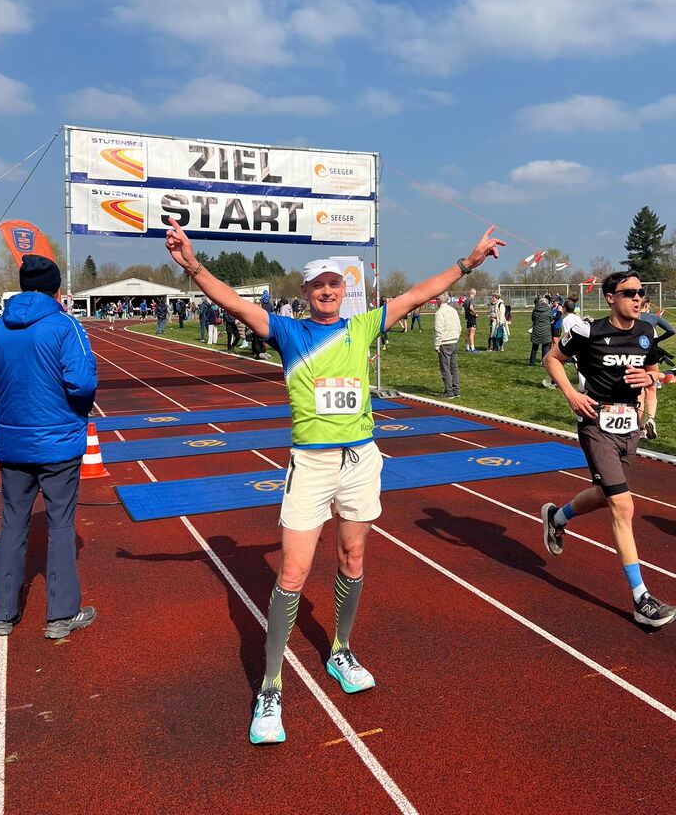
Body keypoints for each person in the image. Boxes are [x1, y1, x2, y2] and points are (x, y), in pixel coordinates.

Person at [163, 217, 504, 744]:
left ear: (344, 291)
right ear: (305, 293)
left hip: (361, 460)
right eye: (317, 285)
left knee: (353, 558)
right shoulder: (289, 331)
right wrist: (193, 264)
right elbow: (233, 302)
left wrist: (468, 262)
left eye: (334, 284)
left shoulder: (361, 326)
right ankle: (270, 687)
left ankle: (340, 650)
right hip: (312, 464)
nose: (326, 291)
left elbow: (418, 294)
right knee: (293, 573)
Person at [541, 271, 676, 628]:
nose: (637, 298)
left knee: (606, 495)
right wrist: (571, 394)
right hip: (596, 424)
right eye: (629, 292)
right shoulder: (588, 332)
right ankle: (641, 599)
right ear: (609, 297)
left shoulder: (646, 332)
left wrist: (650, 389)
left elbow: (652, 375)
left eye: (640, 293)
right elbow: (552, 359)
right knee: (623, 505)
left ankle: (557, 518)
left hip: (629, 427)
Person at [0, 255, 98, 639]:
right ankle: (61, 616)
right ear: (57, 290)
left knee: (12, 524)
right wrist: (67, 409)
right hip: (59, 443)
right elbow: (82, 383)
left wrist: (13, 400)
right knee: (61, 525)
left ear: (23, 286)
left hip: (14, 443)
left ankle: (2, 614)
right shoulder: (65, 326)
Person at [637, 299, 676, 439]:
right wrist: (658, 340)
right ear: (647, 305)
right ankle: (651, 418)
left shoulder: (631, 316)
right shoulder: (653, 317)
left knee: (639, 391)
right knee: (651, 389)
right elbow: (671, 330)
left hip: (636, 351)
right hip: (651, 350)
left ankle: (640, 426)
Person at [434, 292, 462, 398]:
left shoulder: (439, 312)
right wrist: (456, 337)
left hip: (445, 342)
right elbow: (459, 327)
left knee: (445, 368)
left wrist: (437, 344)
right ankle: (456, 390)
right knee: (454, 367)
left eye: (437, 299)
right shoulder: (453, 310)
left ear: (439, 300)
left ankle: (449, 391)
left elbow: (439, 329)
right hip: (454, 341)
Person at [529, 295, 552, 366]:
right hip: (546, 331)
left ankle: (532, 362)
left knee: (534, 347)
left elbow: (533, 319)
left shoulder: (535, 310)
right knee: (545, 347)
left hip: (536, 330)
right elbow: (551, 319)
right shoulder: (548, 310)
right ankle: (544, 363)